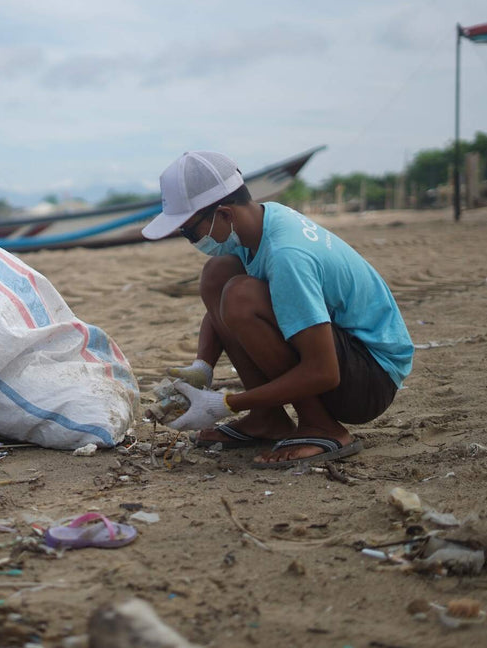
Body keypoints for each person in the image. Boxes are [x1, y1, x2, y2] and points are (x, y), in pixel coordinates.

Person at [142, 151, 413, 468]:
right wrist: (203, 365)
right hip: (348, 359)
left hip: (370, 378)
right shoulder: (260, 224)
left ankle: (323, 427)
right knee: (218, 274)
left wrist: (226, 404)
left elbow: (324, 371)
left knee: (240, 296)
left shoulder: (287, 255)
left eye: (190, 232)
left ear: (225, 215)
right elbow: (219, 311)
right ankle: (266, 418)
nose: (191, 240)